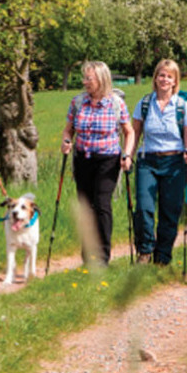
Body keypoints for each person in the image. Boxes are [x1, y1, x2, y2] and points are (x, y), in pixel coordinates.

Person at [59, 60, 133, 265]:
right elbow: (68, 129)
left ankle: (102, 256)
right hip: (83, 159)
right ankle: (87, 255)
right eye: (84, 78)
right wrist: (66, 141)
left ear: (101, 79)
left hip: (108, 160)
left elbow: (129, 132)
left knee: (101, 204)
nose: (85, 82)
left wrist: (127, 155)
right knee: (85, 206)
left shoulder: (116, 104)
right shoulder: (77, 102)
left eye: (88, 78)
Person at [129, 58, 187, 267]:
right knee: (144, 208)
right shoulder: (145, 103)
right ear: (155, 78)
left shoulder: (182, 105)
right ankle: (145, 250)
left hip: (174, 161)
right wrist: (128, 156)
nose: (164, 79)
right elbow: (135, 131)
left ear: (175, 81)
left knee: (170, 209)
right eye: (161, 75)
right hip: (147, 161)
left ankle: (163, 256)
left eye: (169, 76)